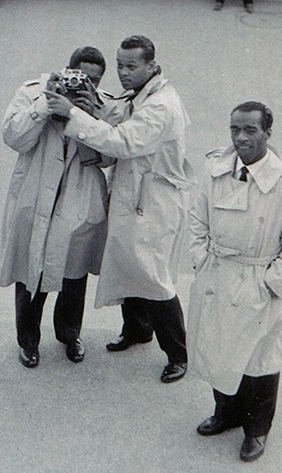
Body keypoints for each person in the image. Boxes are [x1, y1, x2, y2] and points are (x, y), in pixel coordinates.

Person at [45, 35, 194, 383]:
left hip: (153, 200)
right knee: (129, 262)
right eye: (120, 65)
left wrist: (75, 116)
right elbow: (121, 114)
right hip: (134, 192)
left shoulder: (161, 106)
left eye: (131, 66)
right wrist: (92, 107)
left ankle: (178, 353)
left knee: (151, 275)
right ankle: (138, 330)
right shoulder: (146, 95)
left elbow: (123, 140)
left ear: (151, 66)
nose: (124, 73)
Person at [188, 101, 282, 462]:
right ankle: (225, 413)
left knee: (259, 359)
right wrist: (201, 261)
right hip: (218, 275)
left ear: (267, 133)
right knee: (218, 347)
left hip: (258, 280)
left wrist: (269, 285)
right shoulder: (215, 172)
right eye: (234, 130)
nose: (240, 138)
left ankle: (256, 430)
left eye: (250, 130)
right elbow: (197, 221)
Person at [0, 47, 120, 368]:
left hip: (79, 201)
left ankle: (69, 334)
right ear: (65, 70)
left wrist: (85, 116)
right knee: (31, 272)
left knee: (74, 275)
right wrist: (44, 104)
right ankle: (27, 340)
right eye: (79, 77)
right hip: (35, 195)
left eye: (93, 80)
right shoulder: (33, 92)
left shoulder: (104, 104)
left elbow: (110, 156)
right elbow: (13, 137)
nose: (85, 85)